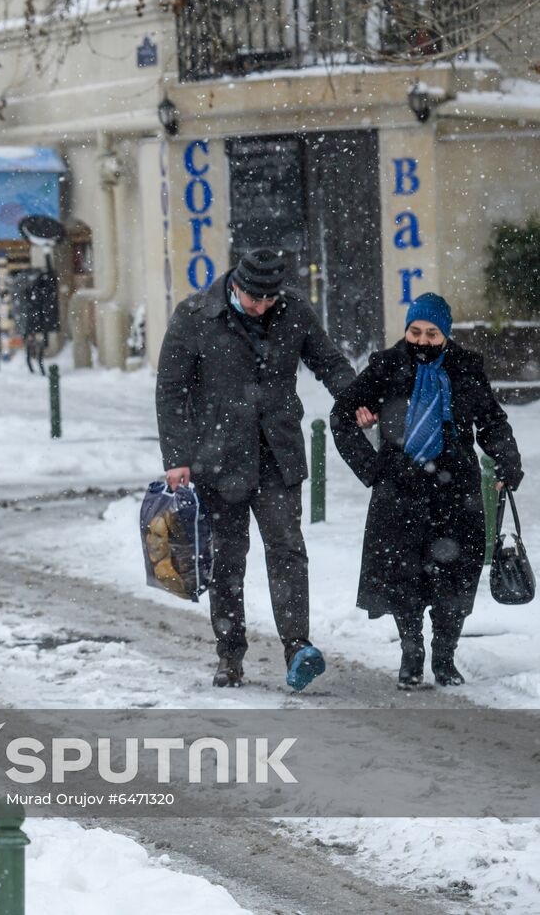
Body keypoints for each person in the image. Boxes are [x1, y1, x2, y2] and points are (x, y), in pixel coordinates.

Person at [156, 248, 355, 690]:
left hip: (277, 455)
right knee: (227, 561)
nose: (261, 307)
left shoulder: (294, 312)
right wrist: (177, 459)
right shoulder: (194, 316)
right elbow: (170, 391)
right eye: (253, 299)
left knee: (287, 550)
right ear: (236, 285)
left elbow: (329, 363)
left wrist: (357, 398)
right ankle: (230, 655)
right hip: (217, 459)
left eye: (269, 299)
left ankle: (297, 647)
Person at [330, 293, 523, 689]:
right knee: (405, 574)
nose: (422, 340)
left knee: (457, 575)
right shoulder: (386, 367)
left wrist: (507, 461)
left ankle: (445, 657)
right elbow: (341, 417)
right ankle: (411, 651)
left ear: (446, 335)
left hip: (456, 491)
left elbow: (491, 422)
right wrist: (371, 468)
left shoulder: (466, 369)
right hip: (400, 488)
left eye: (432, 333)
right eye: (415, 331)